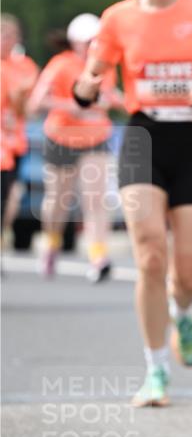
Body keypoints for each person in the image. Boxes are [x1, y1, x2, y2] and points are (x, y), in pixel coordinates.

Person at [73, 0, 192, 408]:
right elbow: (93, 75)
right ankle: (155, 372)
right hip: (144, 136)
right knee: (148, 253)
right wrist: (85, 87)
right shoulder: (118, 18)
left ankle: (180, 312)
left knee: (189, 273)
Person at [28, 14, 121, 280]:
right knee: (59, 199)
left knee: (95, 197)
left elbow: (108, 97)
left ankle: (98, 256)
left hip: (95, 138)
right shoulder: (60, 65)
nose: (93, 45)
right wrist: (72, 107)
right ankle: (51, 243)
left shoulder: (106, 66)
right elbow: (37, 102)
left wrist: (115, 102)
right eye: (88, 41)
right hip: (62, 137)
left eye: (97, 40)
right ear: (75, 43)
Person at [0, 15, 39, 242]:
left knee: (11, 195)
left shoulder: (25, 66)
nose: (6, 41)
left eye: (10, 36)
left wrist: (18, 98)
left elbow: (28, 110)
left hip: (13, 143)